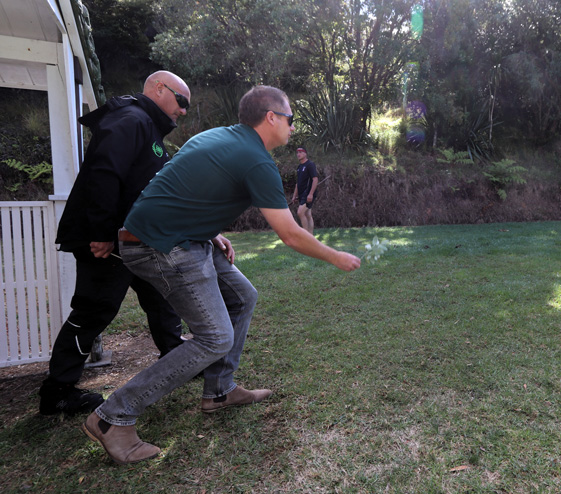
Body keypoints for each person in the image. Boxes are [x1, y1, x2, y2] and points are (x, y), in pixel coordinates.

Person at [81, 85, 361, 465]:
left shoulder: (219, 137)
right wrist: (336, 257)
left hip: (182, 237)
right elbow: (291, 234)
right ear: (272, 118)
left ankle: (219, 390)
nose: (293, 128)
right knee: (214, 338)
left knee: (243, 296)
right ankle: (112, 416)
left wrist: (209, 230)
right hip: (160, 244)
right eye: (291, 119)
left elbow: (178, 186)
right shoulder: (256, 160)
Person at [39, 71, 193, 416]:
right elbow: (104, 172)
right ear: (158, 89)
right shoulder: (131, 118)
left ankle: (176, 358)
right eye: (180, 101)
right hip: (107, 240)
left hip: (133, 240)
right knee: (95, 309)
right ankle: (57, 392)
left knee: (160, 294)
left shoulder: (148, 127)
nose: (183, 111)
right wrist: (103, 232)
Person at [290, 147, 319, 234]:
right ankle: (311, 236)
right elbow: (297, 183)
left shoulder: (310, 164)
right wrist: (294, 196)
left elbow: (315, 179)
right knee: (307, 214)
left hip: (309, 193)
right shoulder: (299, 167)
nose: (298, 154)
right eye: (297, 152)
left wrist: (310, 194)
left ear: (305, 154)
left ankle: (306, 235)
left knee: (300, 212)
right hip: (302, 194)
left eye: (301, 152)